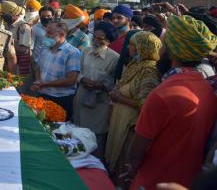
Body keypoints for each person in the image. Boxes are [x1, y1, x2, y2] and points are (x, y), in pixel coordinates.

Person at [125, 15, 217, 190]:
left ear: (171, 48)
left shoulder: (162, 94)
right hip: (188, 181)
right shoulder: (207, 89)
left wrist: (131, 170)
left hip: (155, 181)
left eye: (164, 39)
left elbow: (136, 153)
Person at [105, 31, 162, 181]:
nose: (128, 47)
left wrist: (120, 98)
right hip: (120, 119)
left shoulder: (149, 71)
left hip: (130, 126)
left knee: (122, 165)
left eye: (132, 45)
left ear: (142, 48)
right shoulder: (135, 64)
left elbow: (146, 104)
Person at [73, 22, 119, 159]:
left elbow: (114, 84)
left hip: (99, 104)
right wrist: (83, 80)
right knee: (77, 134)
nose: (96, 41)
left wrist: (101, 85)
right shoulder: (86, 51)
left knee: (95, 139)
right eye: (95, 37)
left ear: (108, 40)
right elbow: (78, 72)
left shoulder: (115, 58)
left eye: (101, 39)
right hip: (81, 97)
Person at [31, 20, 81, 120]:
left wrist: (45, 84)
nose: (46, 35)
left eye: (49, 33)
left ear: (62, 34)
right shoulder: (45, 48)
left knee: (57, 130)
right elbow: (38, 67)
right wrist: (38, 80)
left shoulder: (72, 52)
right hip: (43, 96)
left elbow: (71, 80)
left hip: (61, 99)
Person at [1, 1, 32, 75]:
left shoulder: (23, 26)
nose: (4, 16)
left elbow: (23, 50)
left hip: (19, 65)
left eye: (5, 14)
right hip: (9, 63)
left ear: (14, 13)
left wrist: (7, 41)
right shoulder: (8, 25)